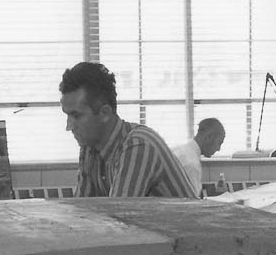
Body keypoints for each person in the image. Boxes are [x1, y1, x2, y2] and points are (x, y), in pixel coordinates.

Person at [59, 61, 195, 199]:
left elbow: (118, 211)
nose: (68, 126)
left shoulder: (138, 145)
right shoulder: (90, 147)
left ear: (105, 113)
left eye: (76, 116)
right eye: (67, 115)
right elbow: (82, 209)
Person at [170, 117, 227, 197]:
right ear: (209, 137)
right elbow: (192, 201)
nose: (218, 149)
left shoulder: (177, 149)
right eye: (219, 143)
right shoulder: (191, 164)